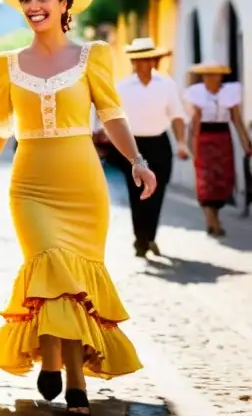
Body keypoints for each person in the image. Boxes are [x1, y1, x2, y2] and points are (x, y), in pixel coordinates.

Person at [0, 0, 156, 416]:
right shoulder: (5, 63)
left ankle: (72, 374)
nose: (34, 6)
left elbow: (113, 114)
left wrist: (136, 159)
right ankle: (56, 363)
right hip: (30, 182)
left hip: (82, 182)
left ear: (63, 3)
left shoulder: (93, 55)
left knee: (75, 280)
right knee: (49, 268)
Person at [103, 37, 188, 257]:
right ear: (133, 62)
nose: (146, 64)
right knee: (136, 193)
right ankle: (140, 240)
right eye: (141, 60)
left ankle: (150, 237)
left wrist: (181, 142)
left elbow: (177, 116)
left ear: (155, 61)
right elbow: (113, 119)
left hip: (159, 143)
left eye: (150, 59)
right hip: (133, 147)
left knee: (157, 192)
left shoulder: (167, 84)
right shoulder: (121, 87)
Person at [184, 63, 250, 236]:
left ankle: (215, 215)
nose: (210, 79)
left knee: (223, 178)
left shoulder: (230, 92)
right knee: (206, 179)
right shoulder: (197, 93)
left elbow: (237, 120)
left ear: (220, 77)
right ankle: (211, 219)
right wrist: (190, 145)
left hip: (223, 138)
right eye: (207, 75)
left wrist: (246, 144)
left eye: (214, 75)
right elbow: (194, 122)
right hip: (204, 138)